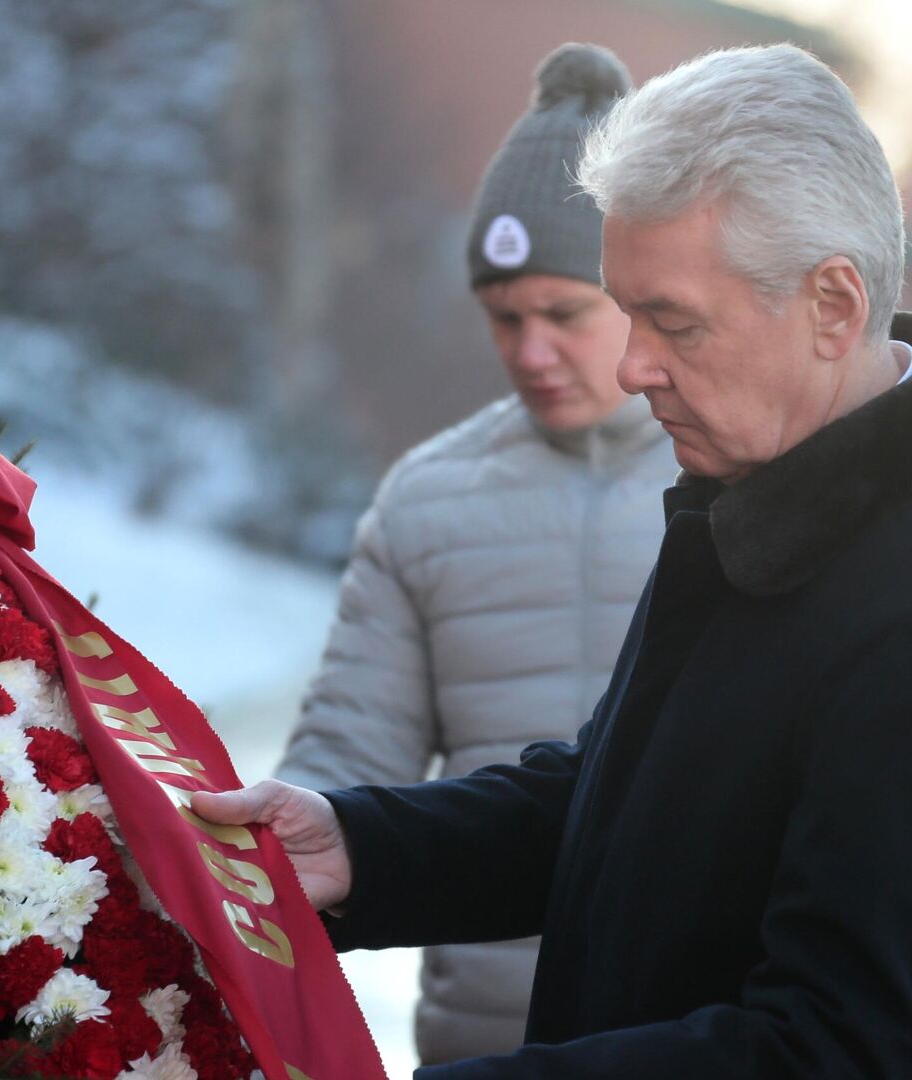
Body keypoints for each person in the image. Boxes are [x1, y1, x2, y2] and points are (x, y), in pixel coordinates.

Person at [205, 44, 912, 1077]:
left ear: (833, 306)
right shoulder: (771, 486)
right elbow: (626, 809)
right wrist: (363, 848)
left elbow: (829, 1053)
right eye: (626, 311)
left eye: (672, 322)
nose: (633, 366)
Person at [271, 44, 679, 1064]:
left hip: (694, 1040)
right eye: (505, 318)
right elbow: (347, 756)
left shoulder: (743, 482)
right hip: (481, 1049)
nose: (530, 351)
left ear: (637, 291)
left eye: (565, 313)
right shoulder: (427, 498)